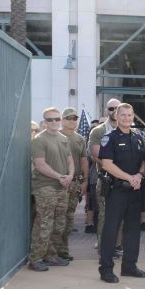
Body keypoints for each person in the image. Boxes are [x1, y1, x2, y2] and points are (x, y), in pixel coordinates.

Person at [98, 103, 145, 283]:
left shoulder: (138, 138)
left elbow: (144, 161)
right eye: (123, 115)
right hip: (116, 191)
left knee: (132, 230)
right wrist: (129, 177)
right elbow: (107, 164)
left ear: (133, 117)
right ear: (116, 117)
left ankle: (129, 266)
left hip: (135, 191)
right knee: (111, 230)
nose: (127, 118)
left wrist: (139, 176)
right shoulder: (109, 138)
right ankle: (106, 269)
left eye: (129, 115)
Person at [28, 107, 74, 271]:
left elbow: (70, 160)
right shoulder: (39, 140)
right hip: (45, 186)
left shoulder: (63, 138)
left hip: (62, 186)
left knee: (60, 224)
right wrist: (59, 177)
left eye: (56, 119)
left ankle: (51, 256)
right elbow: (40, 165)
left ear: (60, 120)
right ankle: (36, 258)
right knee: (44, 223)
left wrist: (70, 175)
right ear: (44, 122)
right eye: (50, 119)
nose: (54, 122)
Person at [88, 98, 121, 252]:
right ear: (106, 111)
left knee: (122, 215)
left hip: (124, 181)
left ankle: (117, 245)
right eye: (111, 108)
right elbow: (96, 156)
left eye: (117, 108)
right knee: (105, 214)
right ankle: (104, 246)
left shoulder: (131, 131)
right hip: (106, 179)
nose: (114, 111)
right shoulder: (99, 131)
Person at [58, 108, 89, 262]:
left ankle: (63, 250)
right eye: (68, 117)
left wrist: (85, 181)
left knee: (69, 218)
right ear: (62, 120)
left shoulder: (80, 139)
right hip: (58, 182)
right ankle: (52, 251)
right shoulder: (56, 136)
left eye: (74, 118)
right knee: (58, 218)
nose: (72, 120)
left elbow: (84, 160)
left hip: (74, 182)